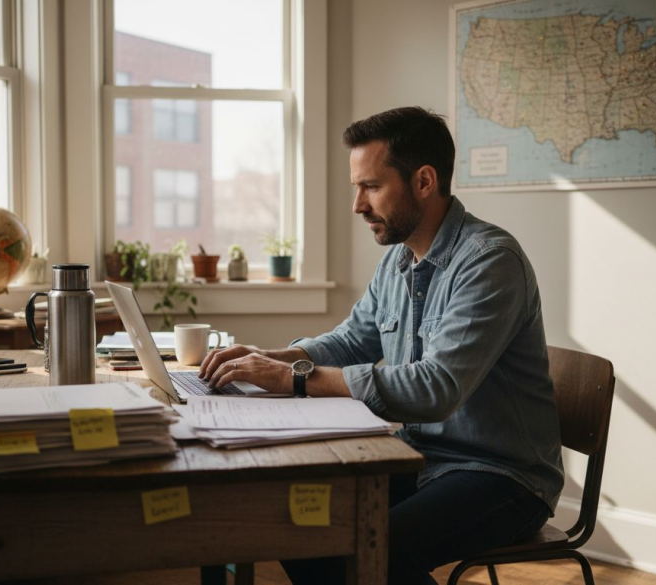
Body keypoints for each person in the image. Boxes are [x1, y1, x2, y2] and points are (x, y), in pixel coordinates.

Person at [199, 106, 563, 585]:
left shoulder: (490, 262)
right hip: (419, 455)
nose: (358, 205)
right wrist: (270, 359)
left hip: (502, 475)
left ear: (424, 181)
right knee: (297, 526)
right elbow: (353, 340)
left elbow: (436, 388)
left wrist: (296, 378)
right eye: (357, 187)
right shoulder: (398, 260)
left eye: (370, 187)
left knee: (374, 546)